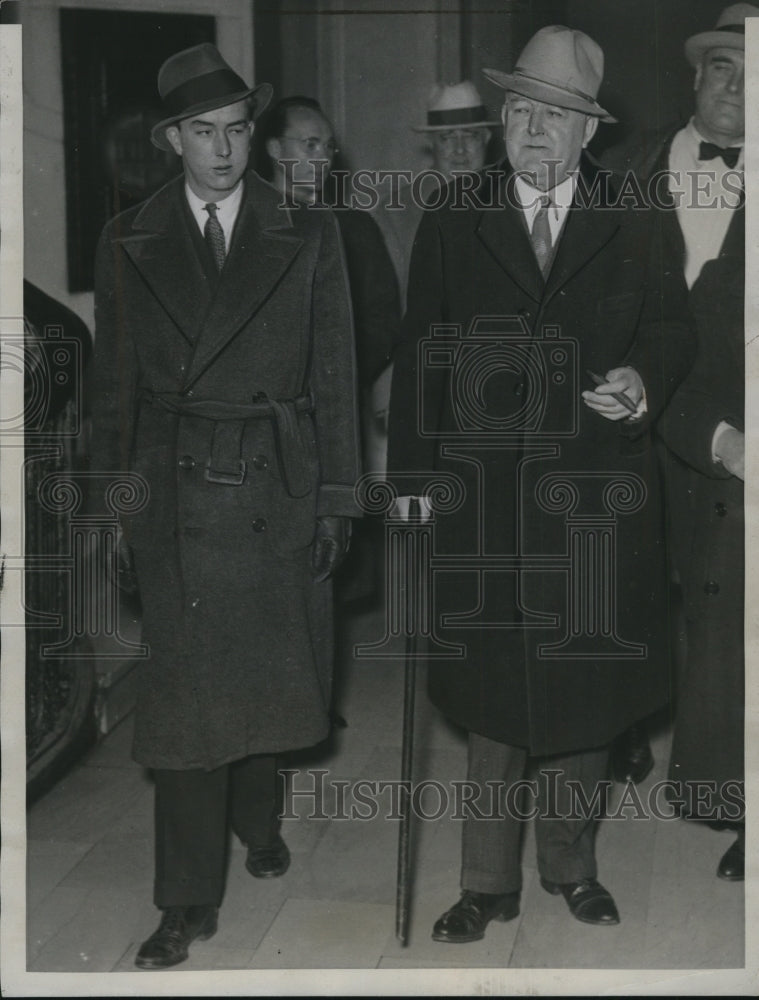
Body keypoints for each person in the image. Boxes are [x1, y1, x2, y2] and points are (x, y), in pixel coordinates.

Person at [387, 26, 695, 940]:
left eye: (554, 115)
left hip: (595, 499)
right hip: (483, 501)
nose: (533, 128)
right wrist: (409, 485)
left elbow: (672, 331)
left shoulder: (633, 209)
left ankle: (570, 865)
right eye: (522, 108)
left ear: (585, 132)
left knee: (583, 692)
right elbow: (418, 357)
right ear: (504, 117)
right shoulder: (455, 212)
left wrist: (641, 380)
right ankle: (486, 884)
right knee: (492, 703)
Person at [88, 44, 360, 969]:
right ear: (172, 141)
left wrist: (334, 502)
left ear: (257, 135)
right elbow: (113, 394)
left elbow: (335, 377)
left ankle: (260, 817)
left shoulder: (307, 231)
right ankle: (185, 902)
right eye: (202, 132)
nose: (222, 148)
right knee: (186, 709)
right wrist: (118, 513)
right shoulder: (126, 236)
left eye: (237, 129)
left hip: (275, 483)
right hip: (171, 494)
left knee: (267, 680)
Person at [612, 3, 751, 878]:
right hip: (628, 421)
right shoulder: (625, 170)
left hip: (731, 433)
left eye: (755, 74)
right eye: (723, 68)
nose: (737, 87)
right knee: (625, 593)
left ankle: (733, 797)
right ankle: (616, 731)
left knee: (728, 610)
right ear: (693, 78)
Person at [257, 95, 401, 606]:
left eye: (328, 147)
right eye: (310, 144)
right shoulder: (248, 227)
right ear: (276, 148)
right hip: (263, 420)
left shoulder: (353, 227)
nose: (322, 159)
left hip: (334, 412)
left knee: (330, 564)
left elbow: (386, 316)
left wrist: (338, 369)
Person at [374, 81, 499, 305]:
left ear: (486, 138)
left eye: (470, 135)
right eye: (447, 137)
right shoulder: (396, 212)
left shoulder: (512, 201)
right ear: (430, 142)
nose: (460, 149)